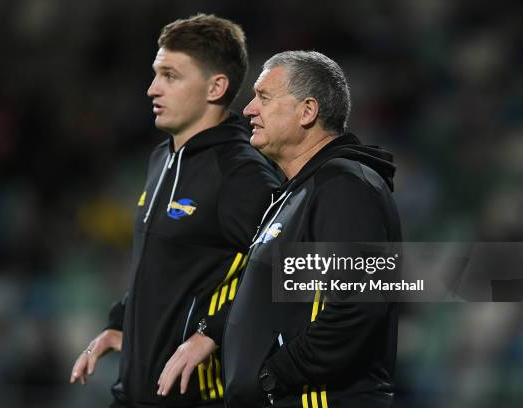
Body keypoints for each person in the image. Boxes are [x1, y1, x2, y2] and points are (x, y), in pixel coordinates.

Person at [158, 51, 401, 408]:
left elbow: (358, 306)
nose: (249, 110)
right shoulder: (297, 193)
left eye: (264, 97)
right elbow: (278, 292)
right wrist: (212, 331)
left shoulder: (345, 187)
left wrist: (273, 376)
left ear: (307, 111)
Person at [69, 14, 280, 408]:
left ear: (216, 86)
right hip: (133, 394)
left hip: (197, 399)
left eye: (170, 75)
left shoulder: (240, 172)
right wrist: (121, 324)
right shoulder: (161, 158)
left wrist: (212, 331)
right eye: (155, 74)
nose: (151, 89)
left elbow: (286, 269)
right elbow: (165, 267)